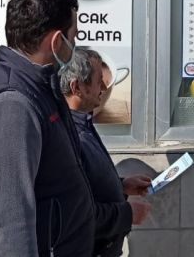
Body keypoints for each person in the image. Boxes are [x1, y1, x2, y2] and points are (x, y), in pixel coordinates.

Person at [0, 0, 95, 256]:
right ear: (57, 41)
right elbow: (9, 229)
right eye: (73, 37)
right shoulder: (11, 104)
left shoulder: (38, 86)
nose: (75, 46)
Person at [59, 47, 152, 257]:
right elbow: (77, 214)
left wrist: (122, 185)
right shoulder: (69, 137)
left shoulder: (82, 124)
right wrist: (127, 214)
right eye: (97, 81)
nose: (103, 87)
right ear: (77, 87)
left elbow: (87, 184)